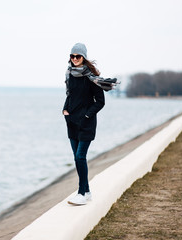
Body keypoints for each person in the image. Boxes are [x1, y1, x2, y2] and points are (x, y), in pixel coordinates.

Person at [63, 43, 116, 205]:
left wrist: (86, 115)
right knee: (77, 158)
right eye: (72, 56)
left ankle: (81, 193)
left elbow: (100, 102)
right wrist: (65, 110)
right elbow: (69, 95)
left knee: (80, 156)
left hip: (86, 123)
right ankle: (86, 192)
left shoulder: (91, 77)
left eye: (78, 56)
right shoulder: (69, 74)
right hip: (72, 122)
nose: (75, 59)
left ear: (83, 58)